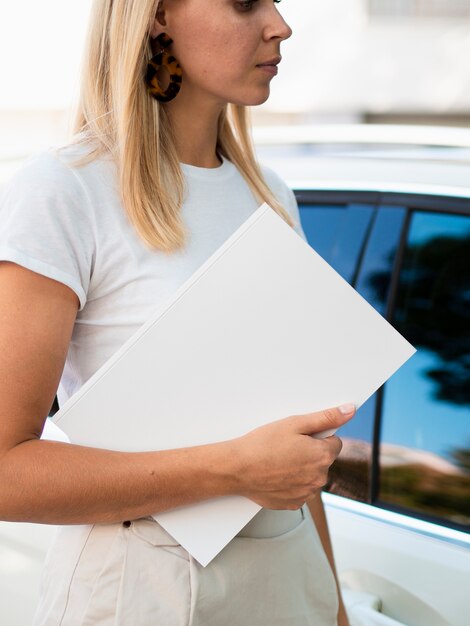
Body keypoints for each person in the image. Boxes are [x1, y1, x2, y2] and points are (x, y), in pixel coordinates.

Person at [0, 1, 354, 624]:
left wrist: (332, 606)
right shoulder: (65, 189)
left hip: (285, 577)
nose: (280, 25)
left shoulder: (269, 196)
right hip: (139, 587)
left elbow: (290, 442)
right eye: (244, 2)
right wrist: (233, 468)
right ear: (158, 15)